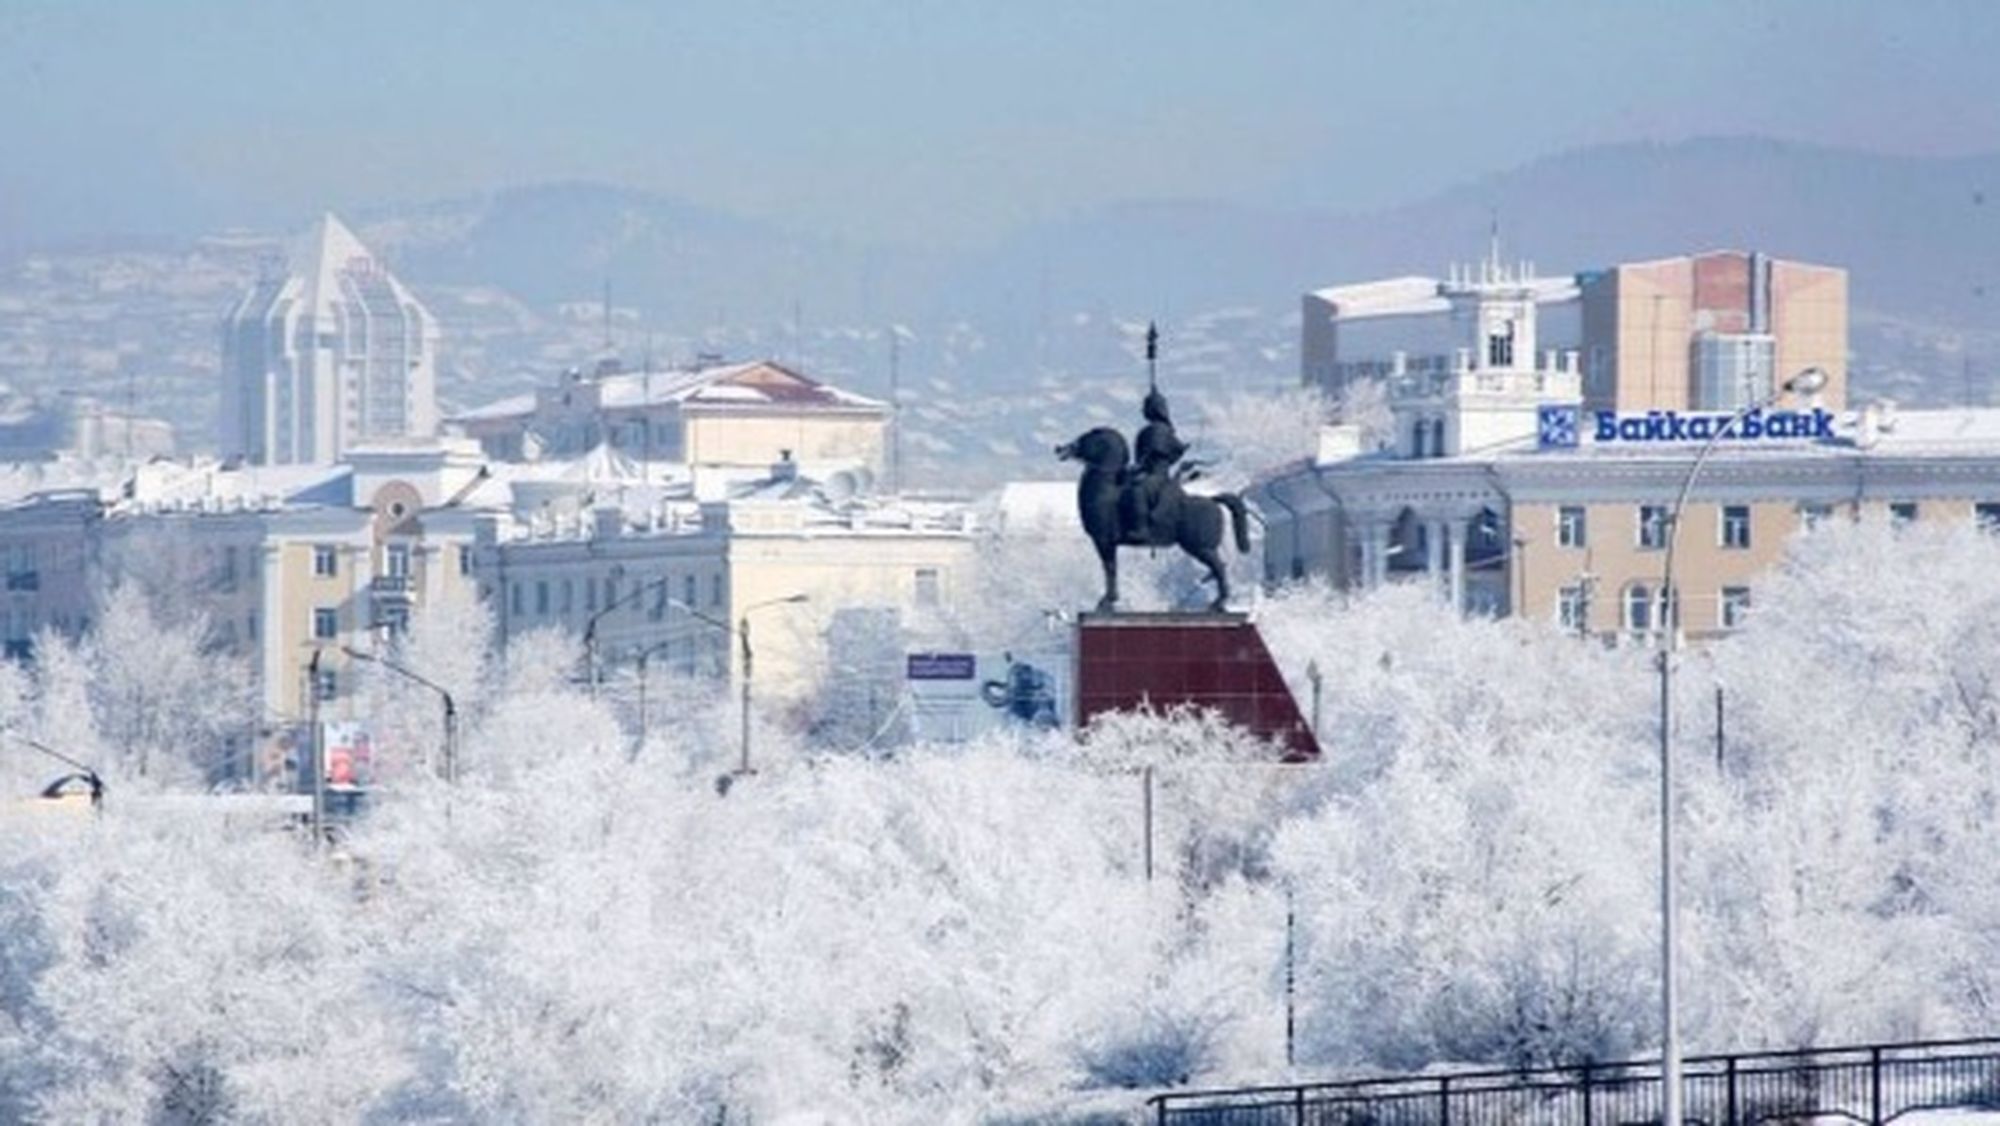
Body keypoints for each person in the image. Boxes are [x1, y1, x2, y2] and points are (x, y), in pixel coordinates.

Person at [1131, 386, 1188, 535]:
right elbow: (1178, 450)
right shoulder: (1167, 431)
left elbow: (1141, 457)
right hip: (1162, 473)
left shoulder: (1147, 432)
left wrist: (1141, 466)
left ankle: (1141, 527)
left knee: (1137, 490)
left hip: (1154, 475)